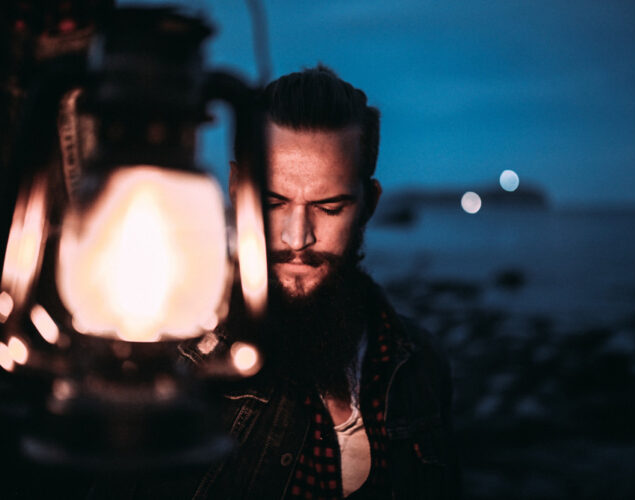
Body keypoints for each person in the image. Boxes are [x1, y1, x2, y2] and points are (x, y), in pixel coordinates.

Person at [93, 64, 459, 499]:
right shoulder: (176, 368)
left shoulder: (419, 364)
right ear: (236, 189)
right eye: (274, 202)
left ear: (369, 204)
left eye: (329, 207)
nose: (296, 237)